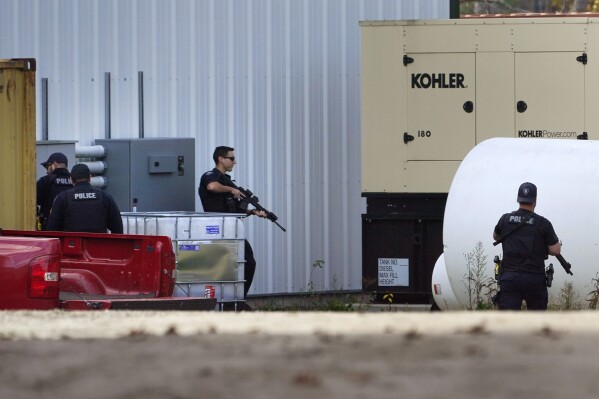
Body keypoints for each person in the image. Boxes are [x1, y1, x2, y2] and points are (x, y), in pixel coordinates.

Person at [198, 146, 267, 300]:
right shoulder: (210, 176)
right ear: (220, 159)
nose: (235, 162)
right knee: (241, 264)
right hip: (216, 229)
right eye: (231, 158)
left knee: (247, 263)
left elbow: (234, 210)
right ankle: (231, 301)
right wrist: (231, 189)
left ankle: (236, 299)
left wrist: (253, 212)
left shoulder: (227, 181)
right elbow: (212, 187)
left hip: (230, 229)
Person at [492, 182, 561, 310]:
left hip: (510, 278)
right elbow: (555, 250)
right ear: (535, 201)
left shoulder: (505, 219)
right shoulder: (543, 223)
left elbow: (496, 237)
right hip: (534, 280)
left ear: (518, 200)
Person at [46, 163, 123, 233]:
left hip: (71, 246)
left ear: (71, 179)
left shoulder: (63, 198)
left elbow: (52, 228)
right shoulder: (104, 196)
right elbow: (117, 227)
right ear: (90, 177)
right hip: (99, 246)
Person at [36, 152, 72, 230]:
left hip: (50, 229)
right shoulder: (74, 180)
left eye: (47, 167)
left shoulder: (45, 181)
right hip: (71, 228)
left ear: (54, 164)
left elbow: (33, 202)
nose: (47, 171)